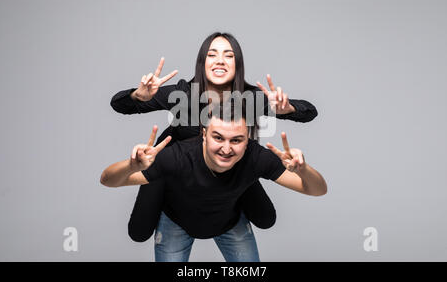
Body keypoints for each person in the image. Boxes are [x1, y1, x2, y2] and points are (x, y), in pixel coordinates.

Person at [110, 32, 318, 242]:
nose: (220, 60)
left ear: (237, 64)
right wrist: (139, 96)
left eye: (228, 55)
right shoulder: (184, 94)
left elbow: (309, 111)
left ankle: (230, 194)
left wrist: (288, 108)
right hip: (175, 166)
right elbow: (119, 105)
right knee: (139, 231)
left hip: (229, 165)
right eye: (212, 54)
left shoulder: (250, 98)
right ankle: (175, 202)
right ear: (202, 62)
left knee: (266, 218)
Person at [100, 104, 327, 262]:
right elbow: (108, 180)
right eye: (218, 137)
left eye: (236, 140)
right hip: (176, 222)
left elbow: (317, 190)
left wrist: (304, 170)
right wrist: (131, 166)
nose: (226, 149)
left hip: (229, 222)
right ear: (204, 134)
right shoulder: (177, 156)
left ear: (247, 140)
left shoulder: (256, 157)